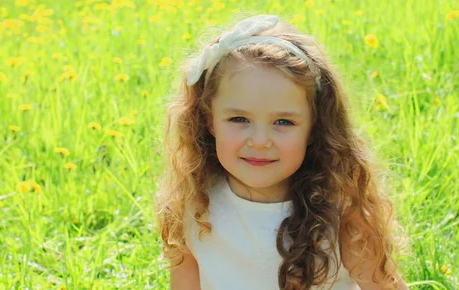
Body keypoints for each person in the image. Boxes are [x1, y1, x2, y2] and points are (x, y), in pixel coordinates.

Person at [154, 14, 410, 290]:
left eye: (283, 122)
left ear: (314, 127)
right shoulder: (193, 202)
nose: (260, 140)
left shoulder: (341, 210)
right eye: (239, 119)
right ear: (209, 120)